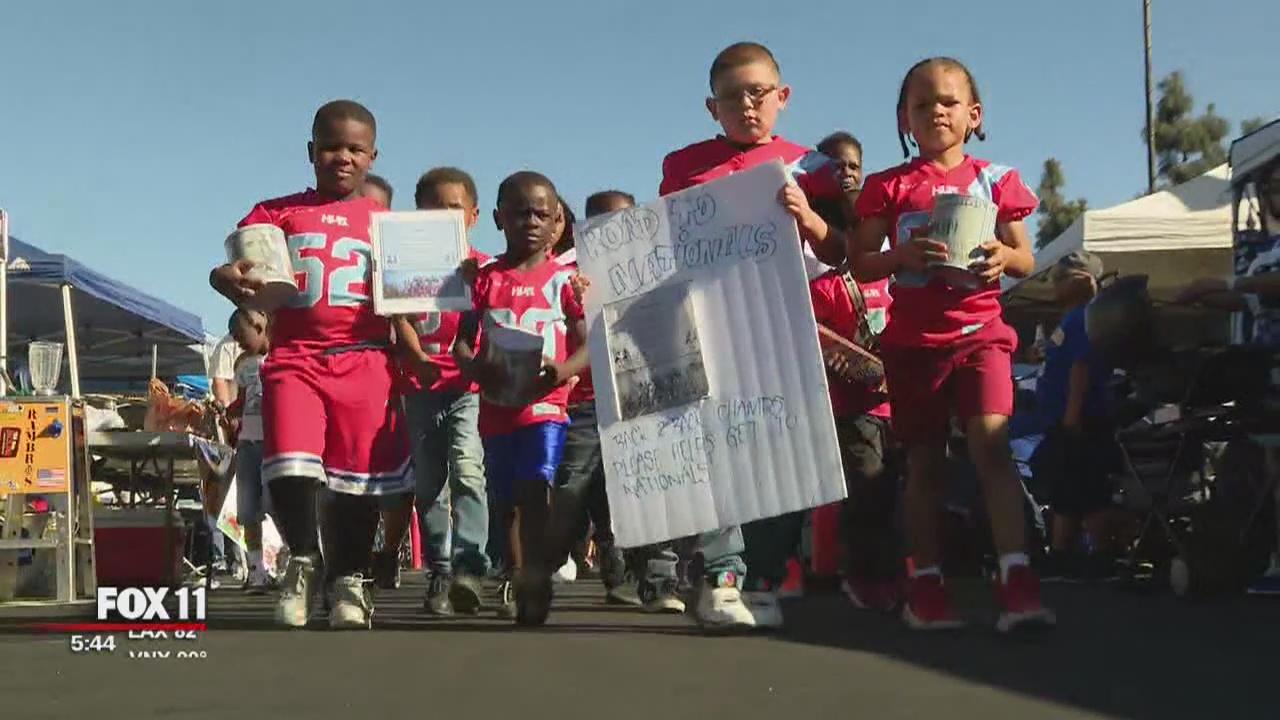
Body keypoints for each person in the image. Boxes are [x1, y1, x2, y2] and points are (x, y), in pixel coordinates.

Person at [845, 57, 1053, 634]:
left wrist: (1003, 257)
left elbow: (1026, 257)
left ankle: (1017, 579)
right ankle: (928, 583)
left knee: (992, 448)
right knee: (925, 463)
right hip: (913, 345)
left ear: (973, 115)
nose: (936, 111)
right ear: (904, 120)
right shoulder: (888, 186)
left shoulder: (997, 180)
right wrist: (899, 256)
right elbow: (859, 263)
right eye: (921, 104)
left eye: (948, 101)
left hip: (983, 335)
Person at [660, 40, 845, 631]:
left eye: (759, 93)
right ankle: (721, 575)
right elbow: (661, 245)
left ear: (782, 96)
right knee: (721, 452)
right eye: (732, 96)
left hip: (786, 330)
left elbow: (844, 253)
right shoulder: (683, 165)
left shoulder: (814, 167)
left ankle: (763, 576)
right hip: (711, 328)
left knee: (779, 457)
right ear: (711, 107)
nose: (747, 105)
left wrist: (809, 217)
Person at [209, 99, 413, 630]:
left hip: (365, 359)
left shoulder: (391, 225)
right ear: (310, 151)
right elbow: (239, 269)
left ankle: (348, 577)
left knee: (356, 480)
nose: (343, 157)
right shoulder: (275, 213)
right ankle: (303, 558)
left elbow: (421, 294)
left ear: (372, 157)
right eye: (331, 147)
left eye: (355, 149)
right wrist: (223, 277)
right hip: (296, 356)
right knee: (290, 467)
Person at [453, 171, 589, 625]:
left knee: (536, 487)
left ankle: (536, 576)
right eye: (519, 213)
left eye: (540, 214)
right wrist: (473, 367)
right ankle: (514, 573)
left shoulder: (567, 281)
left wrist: (563, 371)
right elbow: (462, 342)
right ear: (499, 219)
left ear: (556, 221)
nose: (530, 222)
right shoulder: (484, 280)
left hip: (545, 407)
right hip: (497, 406)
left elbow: (589, 341)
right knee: (505, 496)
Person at [385, 167, 492, 615]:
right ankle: (440, 568)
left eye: (454, 209)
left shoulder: (484, 268)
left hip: (466, 388)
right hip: (421, 387)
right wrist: (416, 358)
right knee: (430, 482)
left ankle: (470, 565)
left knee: (468, 470)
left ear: (473, 215)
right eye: (434, 209)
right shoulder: (404, 265)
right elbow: (399, 320)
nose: (444, 217)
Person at [1179, 159, 1280, 595]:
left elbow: (1264, 288)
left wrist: (1226, 283)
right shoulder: (1267, 249)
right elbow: (1251, 301)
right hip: (1266, 371)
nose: (1273, 194)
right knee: (1267, 462)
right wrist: (1203, 297)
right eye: (1270, 186)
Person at [543, 190, 646, 608]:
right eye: (599, 222)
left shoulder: (646, 267)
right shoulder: (566, 273)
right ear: (583, 227)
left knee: (623, 489)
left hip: (632, 398)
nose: (610, 231)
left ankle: (619, 570)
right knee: (571, 485)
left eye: (622, 221)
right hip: (581, 400)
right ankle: (549, 561)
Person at [1029, 252, 1120, 581]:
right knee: (1066, 489)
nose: (1055, 282)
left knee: (1089, 488)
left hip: (1079, 421)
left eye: (1063, 276)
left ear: (1084, 280)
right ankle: (1062, 555)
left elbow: (1080, 367)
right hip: (1061, 422)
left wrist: (1072, 414)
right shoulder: (1068, 320)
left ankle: (1103, 556)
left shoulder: (1085, 316)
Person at [226, 308, 275, 592]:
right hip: (248, 442)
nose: (238, 341)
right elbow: (242, 402)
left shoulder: (280, 354)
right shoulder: (242, 364)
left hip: (275, 442)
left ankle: (295, 559)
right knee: (247, 509)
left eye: (240, 334)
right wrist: (229, 413)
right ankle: (257, 570)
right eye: (234, 337)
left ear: (258, 325)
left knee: (278, 504)